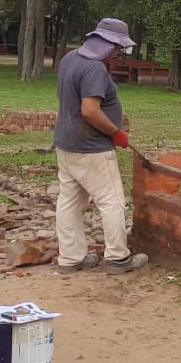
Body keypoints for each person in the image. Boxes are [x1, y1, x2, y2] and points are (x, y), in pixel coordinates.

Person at [53, 18, 149, 276]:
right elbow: (89, 110)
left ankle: (70, 258)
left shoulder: (70, 59)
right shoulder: (94, 69)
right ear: (109, 44)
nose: (118, 52)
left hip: (66, 143)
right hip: (91, 148)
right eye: (117, 47)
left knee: (69, 203)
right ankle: (118, 258)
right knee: (112, 202)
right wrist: (116, 133)